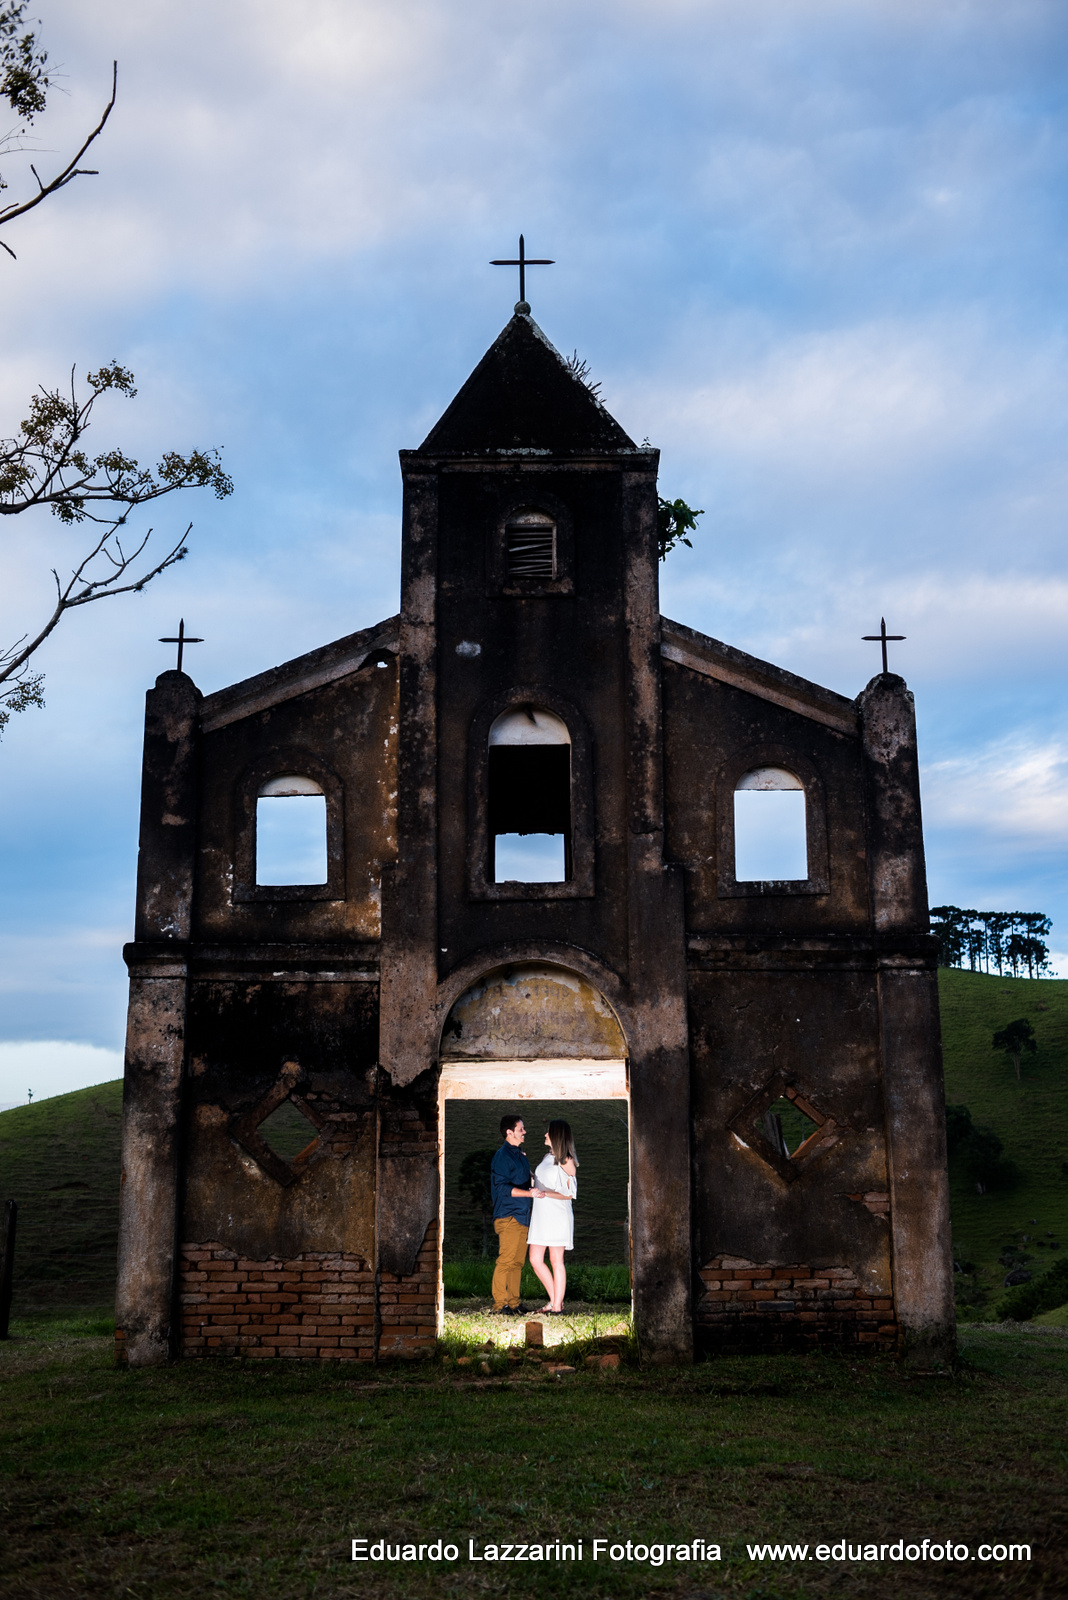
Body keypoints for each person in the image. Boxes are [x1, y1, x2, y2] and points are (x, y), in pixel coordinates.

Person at [489, 1114, 540, 1315]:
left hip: (522, 1215)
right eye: (521, 1129)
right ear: (509, 1133)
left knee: (517, 1263)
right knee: (506, 1261)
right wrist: (529, 1193)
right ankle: (499, 1305)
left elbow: (526, 1181)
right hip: (508, 1215)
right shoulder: (502, 1157)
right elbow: (501, 1187)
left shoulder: (520, 1155)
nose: (524, 1132)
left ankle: (514, 1303)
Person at [527, 1119, 578, 1314]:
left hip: (558, 1214)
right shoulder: (548, 1157)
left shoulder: (567, 1160)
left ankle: (556, 1307)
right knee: (535, 1259)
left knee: (556, 1261)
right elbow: (542, 1182)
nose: (545, 1135)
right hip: (541, 1214)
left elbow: (570, 1194)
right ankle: (555, 1301)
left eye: (548, 1132)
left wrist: (544, 1193)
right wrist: (529, 1174)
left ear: (556, 1135)